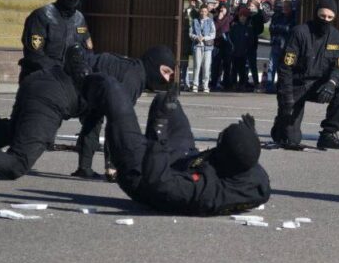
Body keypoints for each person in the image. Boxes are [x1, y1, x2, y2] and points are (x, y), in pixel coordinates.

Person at [0, 45, 177, 183]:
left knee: (14, 131)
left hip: (39, 82)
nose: (168, 79)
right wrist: (117, 169)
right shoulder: (133, 80)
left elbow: (93, 120)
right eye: (166, 72)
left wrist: (85, 167)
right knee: (18, 164)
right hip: (52, 98)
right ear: (154, 65)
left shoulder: (123, 66)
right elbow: (116, 126)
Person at [77, 74, 269, 216]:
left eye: (221, 141)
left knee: (112, 90)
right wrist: (248, 137)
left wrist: (159, 135)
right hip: (183, 162)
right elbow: (245, 154)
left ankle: (75, 81)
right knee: (166, 101)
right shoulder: (257, 180)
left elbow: (158, 183)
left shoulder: (204, 191)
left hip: (144, 177)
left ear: (225, 157)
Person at [270, 0, 339, 151]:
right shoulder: (299, 33)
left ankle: (328, 134)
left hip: (320, 85)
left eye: (330, 17)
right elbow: (285, 68)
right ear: (316, 14)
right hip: (296, 85)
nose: (325, 20)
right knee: (291, 140)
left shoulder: (336, 36)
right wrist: (286, 98)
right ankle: (280, 127)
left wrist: (332, 83)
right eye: (322, 16)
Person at [19, 0, 92, 82]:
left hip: (69, 78)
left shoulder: (79, 19)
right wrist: (61, 71)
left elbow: (87, 51)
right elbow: (35, 55)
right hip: (40, 77)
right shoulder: (42, 15)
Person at [267, 0, 297, 94]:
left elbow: (289, 29)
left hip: (286, 45)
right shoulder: (277, 16)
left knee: (284, 67)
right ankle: (269, 86)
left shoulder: (293, 17)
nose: (284, 9)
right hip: (276, 43)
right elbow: (271, 28)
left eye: (287, 7)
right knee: (272, 66)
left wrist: (279, 28)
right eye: (283, 7)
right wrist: (280, 28)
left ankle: (282, 86)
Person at [190, 4, 215, 93]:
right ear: (199, 12)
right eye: (202, 11)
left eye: (205, 11)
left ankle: (205, 85)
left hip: (208, 47)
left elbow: (213, 34)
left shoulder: (210, 21)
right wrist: (196, 37)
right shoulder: (195, 21)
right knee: (197, 66)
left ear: (207, 12)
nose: (203, 13)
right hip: (197, 46)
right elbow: (190, 33)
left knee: (206, 66)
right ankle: (195, 85)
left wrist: (205, 38)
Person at [246, 0, 270, 91]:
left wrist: (259, 10)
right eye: (249, 6)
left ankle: (256, 83)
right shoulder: (247, 15)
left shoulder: (258, 15)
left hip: (252, 41)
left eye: (251, 6)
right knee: (243, 63)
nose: (249, 8)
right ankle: (244, 82)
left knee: (252, 63)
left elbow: (263, 24)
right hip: (244, 41)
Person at [229, 8, 255, 90]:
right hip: (235, 50)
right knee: (234, 68)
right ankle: (233, 83)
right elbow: (230, 37)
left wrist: (248, 49)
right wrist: (232, 46)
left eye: (244, 16)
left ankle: (242, 83)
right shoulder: (235, 26)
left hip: (244, 52)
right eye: (241, 16)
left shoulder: (249, 28)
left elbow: (251, 40)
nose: (242, 18)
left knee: (243, 69)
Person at [181, 0, 201, 91]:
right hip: (185, 38)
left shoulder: (198, 11)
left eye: (194, 0)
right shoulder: (185, 11)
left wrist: (198, 0)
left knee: (197, 62)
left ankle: (196, 83)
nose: (193, 2)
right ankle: (185, 83)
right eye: (191, 0)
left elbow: (204, 8)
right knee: (184, 63)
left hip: (195, 38)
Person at [211, 1, 232, 91]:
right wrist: (219, 19)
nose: (222, 9)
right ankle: (214, 83)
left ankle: (226, 83)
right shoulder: (216, 18)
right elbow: (215, 28)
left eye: (224, 7)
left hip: (227, 44)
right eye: (221, 7)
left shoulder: (230, 18)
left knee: (227, 65)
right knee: (216, 65)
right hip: (217, 43)